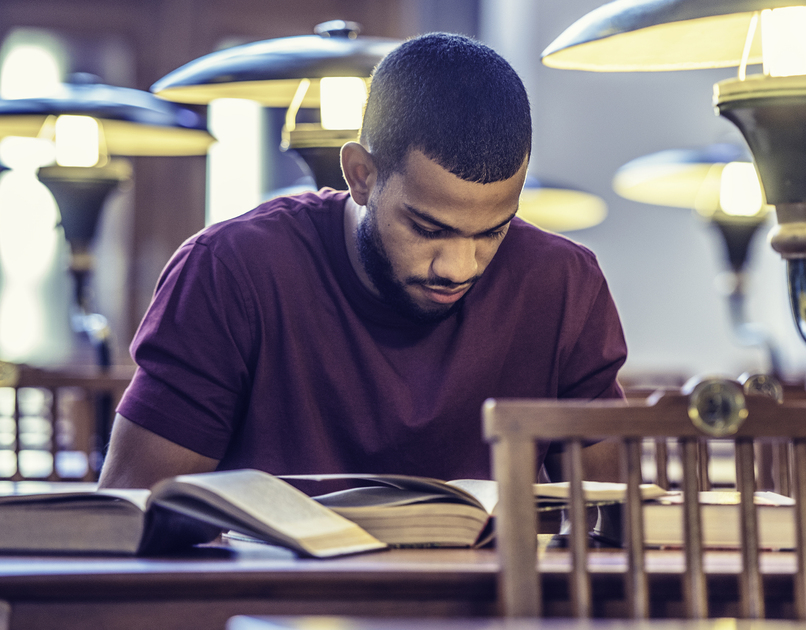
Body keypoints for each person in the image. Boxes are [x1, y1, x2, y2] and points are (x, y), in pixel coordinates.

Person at [98, 33, 627, 488]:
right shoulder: (230, 271)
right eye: (428, 228)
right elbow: (133, 516)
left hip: (489, 604)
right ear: (361, 175)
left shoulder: (563, 284)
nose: (459, 266)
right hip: (269, 601)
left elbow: (613, 528)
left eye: (493, 232)